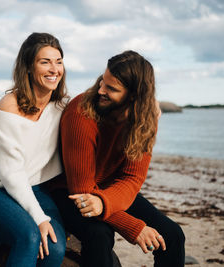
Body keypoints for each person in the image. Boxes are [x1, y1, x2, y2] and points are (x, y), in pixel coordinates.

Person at [50, 50, 185, 267]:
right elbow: (81, 191)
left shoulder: (145, 118)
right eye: (102, 82)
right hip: (68, 191)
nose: (101, 90)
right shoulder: (81, 112)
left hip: (110, 189)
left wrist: (104, 203)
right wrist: (135, 228)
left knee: (172, 235)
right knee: (99, 234)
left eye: (111, 88)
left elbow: (132, 178)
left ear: (134, 96)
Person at [0, 32, 67, 267]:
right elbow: (12, 174)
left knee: (54, 248)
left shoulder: (62, 107)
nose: (54, 69)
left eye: (59, 61)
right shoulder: (9, 107)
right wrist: (39, 218)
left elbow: (99, 111)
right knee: (30, 237)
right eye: (45, 62)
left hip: (36, 190)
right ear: (28, 67)